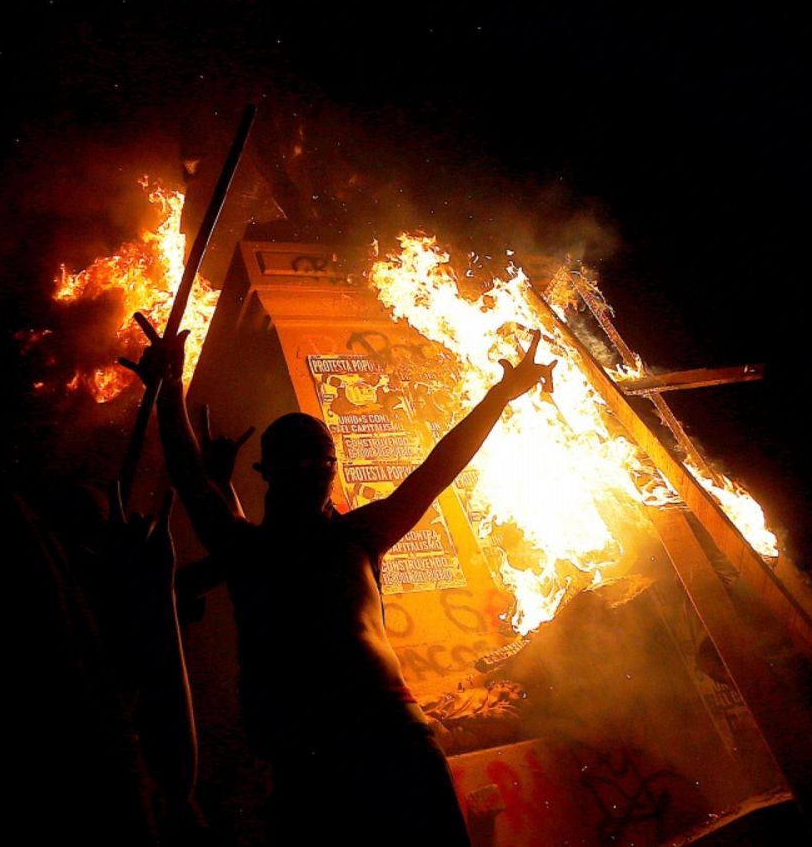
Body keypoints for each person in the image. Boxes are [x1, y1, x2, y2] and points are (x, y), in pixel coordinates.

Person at [132, 312, 554, 846]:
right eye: (301, 462)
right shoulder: (248, 549)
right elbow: (193, 483)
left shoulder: (356, 535)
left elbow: (437, 469)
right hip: (306, 760)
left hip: (391, 738)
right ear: (268, 473)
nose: (316, 471)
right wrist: (169, 392)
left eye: (324, 461)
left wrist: (500, 396)